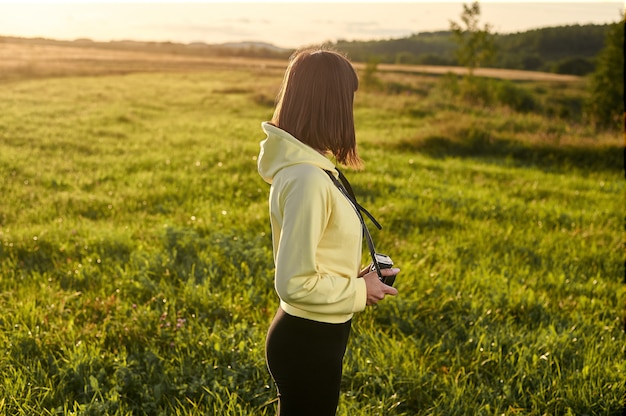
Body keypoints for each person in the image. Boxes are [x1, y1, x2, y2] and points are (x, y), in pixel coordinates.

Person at [257, 47, 399, 416]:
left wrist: (356, 276)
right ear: (330, 104)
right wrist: (357, 290)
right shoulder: (306, 179)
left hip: (318, 334)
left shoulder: (312, 170)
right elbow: (294, 282)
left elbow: (317, 255)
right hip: (307, 339)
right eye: (347, 100)